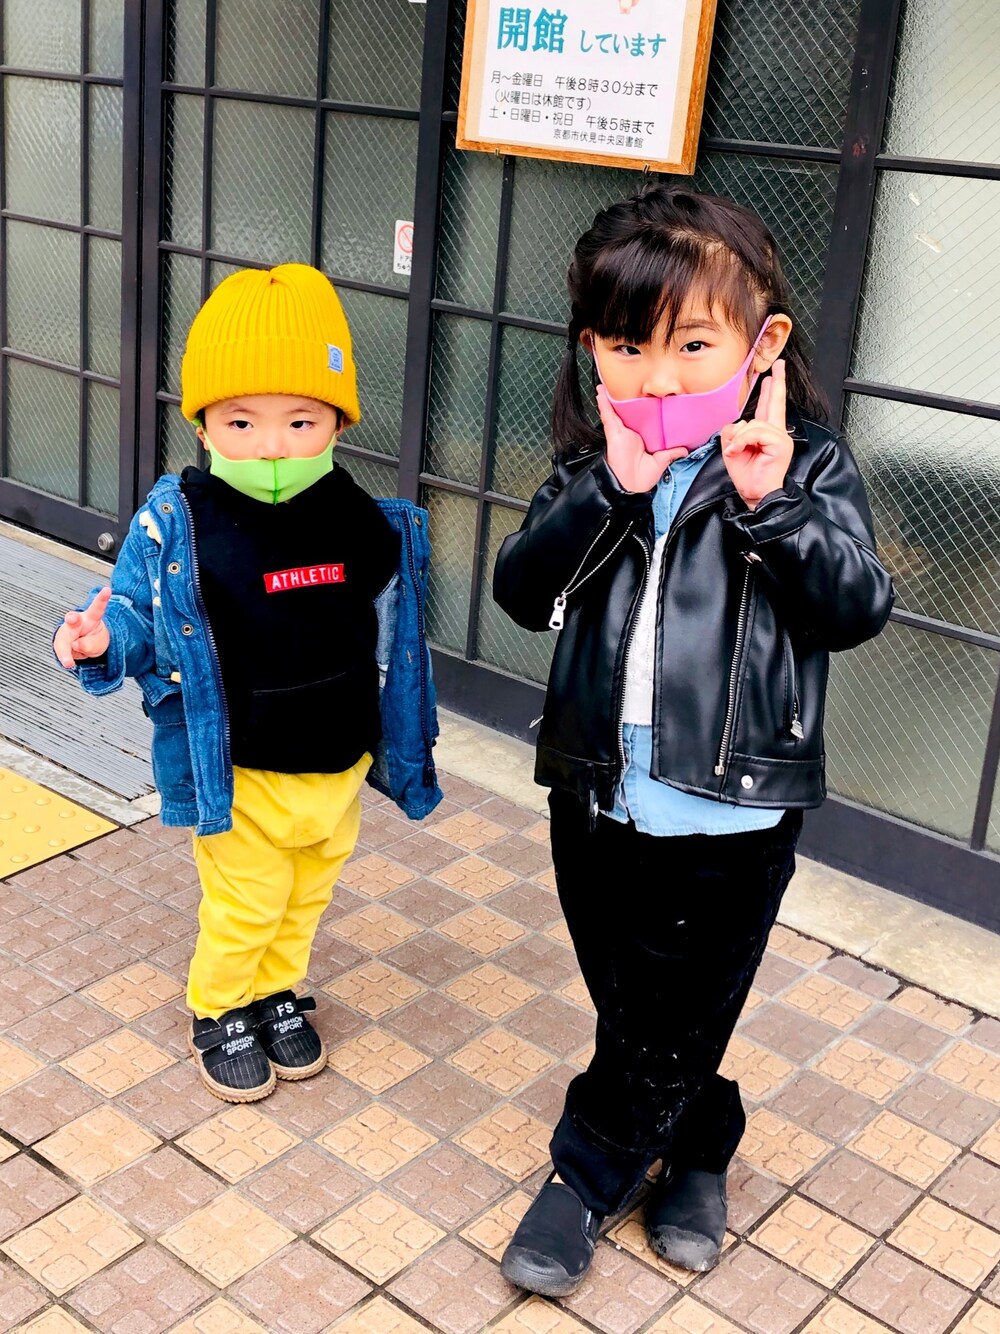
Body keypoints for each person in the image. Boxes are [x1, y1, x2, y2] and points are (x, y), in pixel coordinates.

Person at [492, 185, 894, 1296]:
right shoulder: (594, 465)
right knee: (641, 1009)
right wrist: (611, 494)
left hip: (733, 814)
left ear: (762, 343)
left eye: (692, 345)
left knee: (669, 1014)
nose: (659, 378)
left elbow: (857, 607)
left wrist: (771, 506)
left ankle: (584, 1176)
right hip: (594, 795)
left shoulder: (806, 467)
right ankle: (703, 1138)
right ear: (592, 349)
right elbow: (521, 593)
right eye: (628, 347)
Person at [54, 264, 441, 1104]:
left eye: (300, 421)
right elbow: (135, 612)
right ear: (202, 426)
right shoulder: (180, 521)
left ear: (338, 422)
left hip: (337, 763)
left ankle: (276, 991)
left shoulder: (354, 514)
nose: (271, 446)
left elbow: (388, 614)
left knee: (305, 896)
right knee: (247, 901)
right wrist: (101, 641)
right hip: (242, 767)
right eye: (241, 421)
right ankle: (221, 1006)